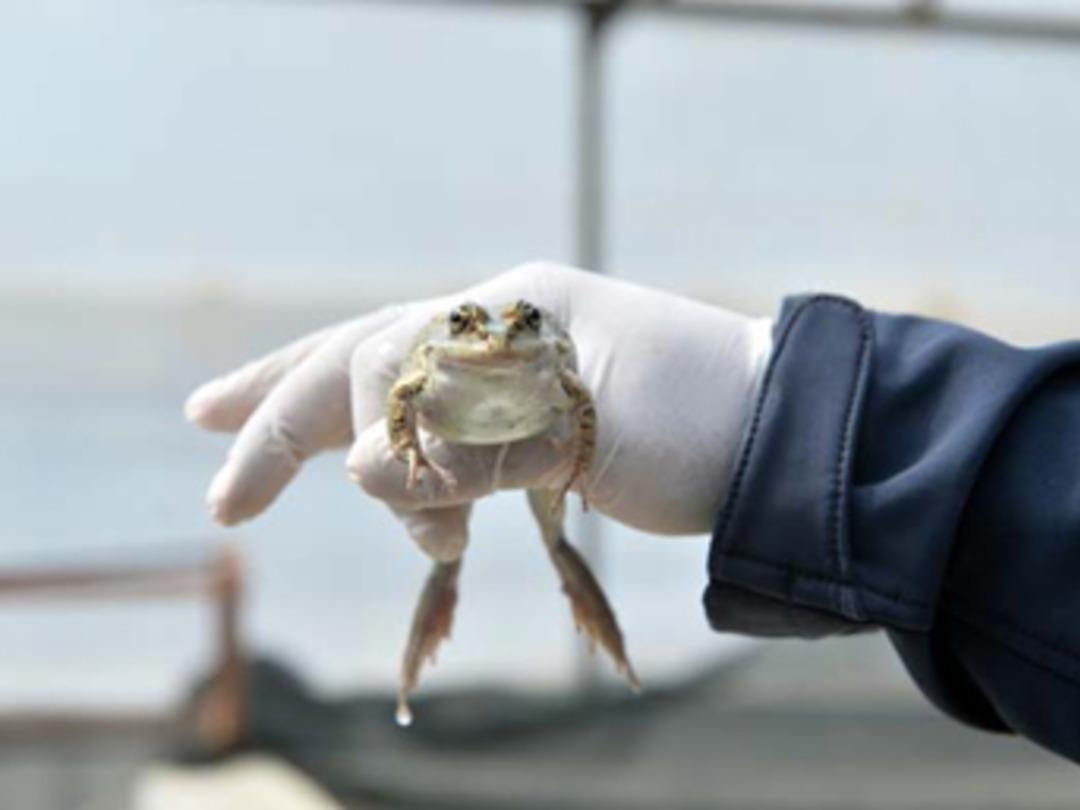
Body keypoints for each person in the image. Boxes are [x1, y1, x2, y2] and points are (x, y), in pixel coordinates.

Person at [185, 261, 1080, 764]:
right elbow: (411, 384)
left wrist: (759, 407)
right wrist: (811, 417)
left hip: (540, 436)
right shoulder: (429, 363)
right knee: (452, 535)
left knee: (547, 531)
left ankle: (567, 621)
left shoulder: (554, 359)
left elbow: (573, 395)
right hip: (469, 428)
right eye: (475, 328)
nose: (495, 338)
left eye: (516, 325)